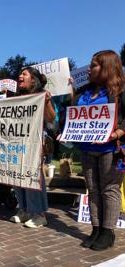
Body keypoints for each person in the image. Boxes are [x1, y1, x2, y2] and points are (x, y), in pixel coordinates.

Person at [75, 50, 125, 250]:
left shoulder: (120, 90)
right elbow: (74, 114)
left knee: (110, 189)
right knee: (93, 190)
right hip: (87, 147)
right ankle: (95, 228)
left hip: (110, 148)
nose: (89, 68)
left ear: (106, 67)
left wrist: (118, 132)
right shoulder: (84, 90)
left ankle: (107, 231)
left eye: (94, 65)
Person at [8, 67, 56, 228]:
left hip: (33, 144)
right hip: (16, 143)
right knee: (17, 176)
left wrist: (47, 101)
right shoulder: (16, 97)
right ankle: (24, 209)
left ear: (33, 79)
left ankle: (38, 214)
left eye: (24, 74)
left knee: (32, 177)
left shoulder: (42, 96)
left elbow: (51, 119)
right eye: (19, 73)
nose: (19, 76)